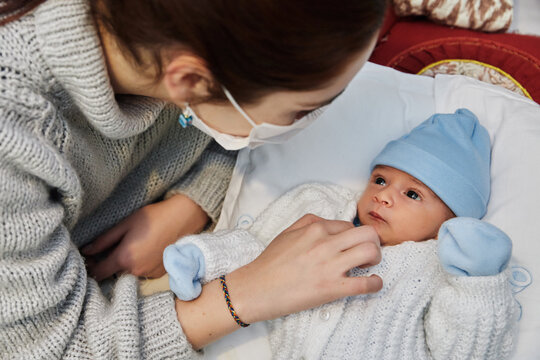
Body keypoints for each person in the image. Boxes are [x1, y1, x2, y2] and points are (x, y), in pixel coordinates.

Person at [0, 0, 389, 358]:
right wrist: (251, 293)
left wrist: (191, 200)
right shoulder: (14, 135)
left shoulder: (168, 35)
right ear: (187, 80)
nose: (309, 123)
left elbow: (214, 122)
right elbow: (53, 349)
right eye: (301, 111)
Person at [165, 109, 519, 359]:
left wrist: (477, 283)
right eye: (380, 180)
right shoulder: (322, 208)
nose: (383, 195)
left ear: (450, 222)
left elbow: (465, 350)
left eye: (412, 195)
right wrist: (203, 256)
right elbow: (259, 246)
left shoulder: (438, 268)